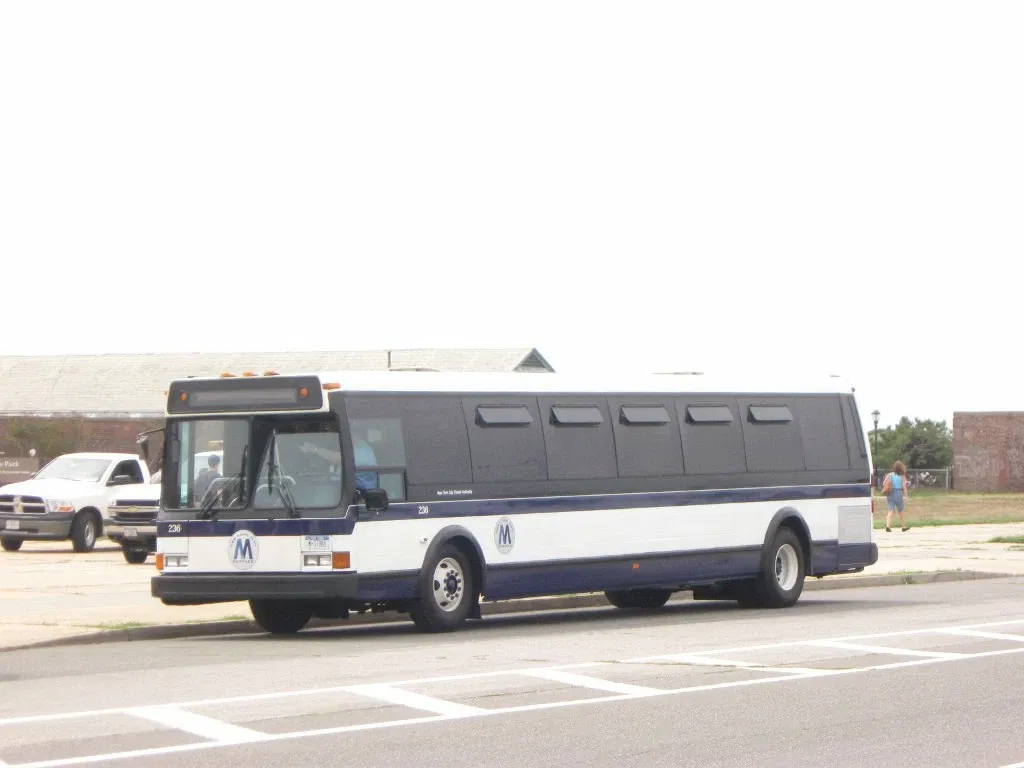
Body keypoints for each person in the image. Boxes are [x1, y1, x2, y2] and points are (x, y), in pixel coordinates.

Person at [882, 460, 910, 532]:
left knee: (890, 509)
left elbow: (884, 483)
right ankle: (903, 526)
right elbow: (904, 486)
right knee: (900, 510)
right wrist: (906, 495)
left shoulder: (890, 475)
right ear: (901, 468)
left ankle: (888, 526)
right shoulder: (902, 476)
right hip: (898, 492)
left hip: (890, 493)